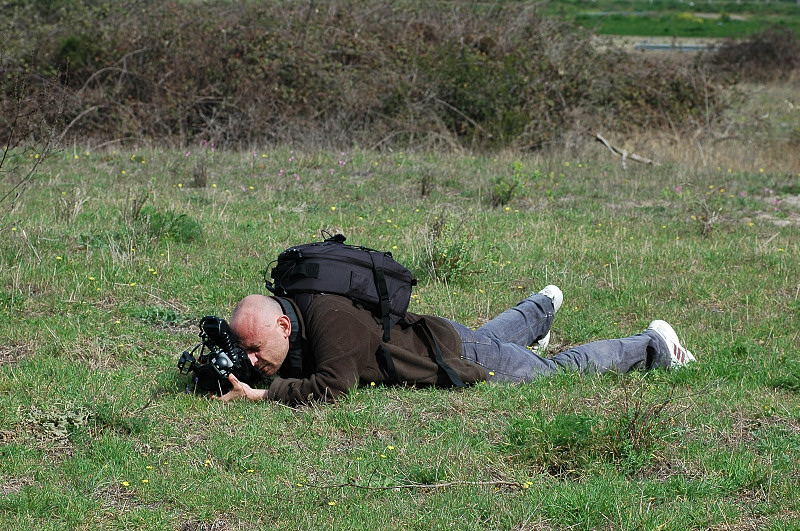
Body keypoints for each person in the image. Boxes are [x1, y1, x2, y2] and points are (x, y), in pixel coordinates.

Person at [219, 286, 695, 404]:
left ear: (284, 323)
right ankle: (541, 309)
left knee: (554, 373)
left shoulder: (328, 320)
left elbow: (334, 386)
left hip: (455, 358)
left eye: (257, 350)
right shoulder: (304, 310)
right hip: (442, 335)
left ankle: (654, 345)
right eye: (248, 356)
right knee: (486, 338)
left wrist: (263, 394)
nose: (255, 361)